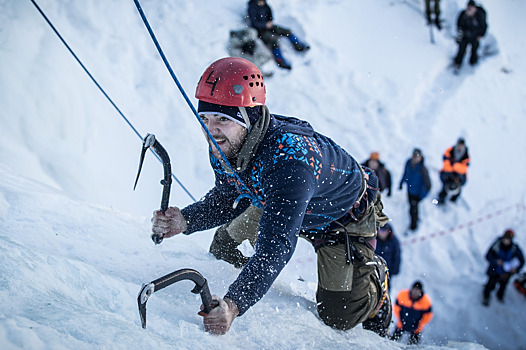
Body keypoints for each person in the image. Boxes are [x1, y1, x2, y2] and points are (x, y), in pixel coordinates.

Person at [150, 57, 392, 336]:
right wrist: (185, 220)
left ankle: (376, 292)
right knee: (223, 248)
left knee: (339, 315)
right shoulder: (225, 143)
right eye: (204, 118)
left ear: (249, 120)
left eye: (222, 120)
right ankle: (257, 282)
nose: (211, 129)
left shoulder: (290, 161)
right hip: (279, 200)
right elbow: (230, 196)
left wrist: (234, 303)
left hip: (340, 219)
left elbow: (275, 247)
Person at [247, 0, 310, 70]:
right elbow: (254, 23)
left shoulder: (265, 5)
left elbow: (270, 14)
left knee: (287, 31)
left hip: (270, 26)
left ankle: (298, 46)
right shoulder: (252, 7)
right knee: (273, 41)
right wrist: (265, 25)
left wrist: (270, 21)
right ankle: (280, 61)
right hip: (260, 31)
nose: (262, 2)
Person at [482, 229, 524, 306]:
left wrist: (516, 269)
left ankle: (500, 296)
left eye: (508, 240)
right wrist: (496, 261)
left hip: (506, 273)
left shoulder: (514, 248)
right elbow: (488, 256)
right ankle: (486, 297)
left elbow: (522, 260)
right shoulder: (497, 245)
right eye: (505, 239)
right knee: (490, 285)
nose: (506, 241)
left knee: (503, 286)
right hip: (494, 270)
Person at [399, 148, 431, 231]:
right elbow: (405, 173)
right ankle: (415, 220)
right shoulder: (408, 163)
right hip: (409, 191)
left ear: (420, 158)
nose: (415, 158)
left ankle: (414, 226)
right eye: (414, 156)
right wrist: (401, 183)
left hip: (417, 194)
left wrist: (421, 196)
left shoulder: (422, 169)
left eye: (417, 156)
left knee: (413, 210)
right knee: (411, 207)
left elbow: (428, 185)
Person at [391, 281, 433, 345]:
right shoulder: (402, 295)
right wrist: (400, 320)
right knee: (392, 342)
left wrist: (419, 325)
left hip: (416, 328)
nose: (415, 292)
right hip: (401, 324)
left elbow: (428, 316)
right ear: (411, 289)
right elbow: (396, 308)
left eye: (417, 290)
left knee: (414, 346)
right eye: (414, 289)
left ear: (421, 292)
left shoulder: (425, 301)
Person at [453, 0, 487, 70]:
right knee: (461, 49)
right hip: (465, 35)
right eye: (468, 7)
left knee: (474, 49)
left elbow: (484, 26)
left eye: (471, 7)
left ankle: (473, 62)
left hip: (475, 36)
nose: (470, 9)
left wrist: (480, 35)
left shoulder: (479, 16)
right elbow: (459, 25)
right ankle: (458, 62)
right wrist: (460, 34)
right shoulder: (463, 14)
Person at [437, 138, 469, 205]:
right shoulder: (449, 151)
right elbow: (446, 165)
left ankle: (453, 201)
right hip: (448, 175)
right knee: (445, 188)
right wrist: (457, 167)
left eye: (461, 145)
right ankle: (440, 201)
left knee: (458, 189)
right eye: (459, 145)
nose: (460, 147)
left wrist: (454, 165)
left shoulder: (466, 155)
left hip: (459, 177)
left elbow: (464, 169)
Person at [375, 223, 401, 292]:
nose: (381, 233)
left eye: (383, 231)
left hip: (387, 273)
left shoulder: (394, 241)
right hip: (374, 271)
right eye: (380, 231)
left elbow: (396, 257)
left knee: (385, 292)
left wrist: (393, 271)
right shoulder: (374, 239)